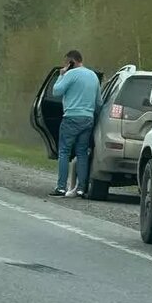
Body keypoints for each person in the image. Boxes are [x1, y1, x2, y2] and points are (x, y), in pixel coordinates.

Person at [49, 50, 99, 198]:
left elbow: (56, 92)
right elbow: (99, 102)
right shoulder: (93, 76)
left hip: (71, 117)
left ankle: (61, 188)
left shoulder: (70, 74)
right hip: (88, 119)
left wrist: (61, 75)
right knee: (82, 153)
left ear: (72, 61)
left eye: (67, 63)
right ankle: (81, 189)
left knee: (64, 152)